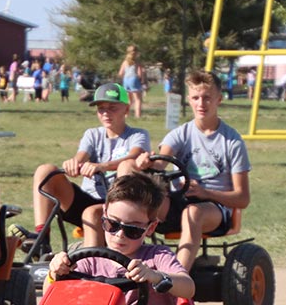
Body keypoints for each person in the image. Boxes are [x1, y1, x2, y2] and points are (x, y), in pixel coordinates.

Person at [121, 71, 251, 271]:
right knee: (128, 167)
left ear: (219, 99)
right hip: (178, 201)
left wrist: (205, 193)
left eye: (207, 98)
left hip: (214, 208)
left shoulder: (232, 141)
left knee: (193, 213)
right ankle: (121, 261)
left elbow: (242, 199)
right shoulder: (180, 134)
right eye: (196, 98)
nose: (201, 104)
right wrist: (144, 163)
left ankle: (175, 283)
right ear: (189, 100)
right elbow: (160, 164)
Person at [29, 83, 149, 248]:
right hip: (87, 199)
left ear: (126, 110)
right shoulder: (92, 134)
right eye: (101, 109)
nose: (106, 113)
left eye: (112, 108)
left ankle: (99, 254)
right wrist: (74, 163)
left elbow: (134, 156)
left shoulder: (137, 135)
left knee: (124, 171)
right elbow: (81, 156)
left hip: (117, 208)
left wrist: (102, 166)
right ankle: (41, 239)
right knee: (46, 171)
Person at [47, 173, 197, 305]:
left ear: (150, 228)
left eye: (132, 230)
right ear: (104, 215)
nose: (119, 234)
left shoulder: (157, 257)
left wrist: (155, 276)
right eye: (112, 224)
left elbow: (188, 288)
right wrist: (56, 271)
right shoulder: (89, 261)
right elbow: (54, 294)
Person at [119, 45, 145, 118]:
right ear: (136, 53)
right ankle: (138, 115)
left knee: (128, 100)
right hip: (134, 79)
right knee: (138, 99)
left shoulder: (125, 62)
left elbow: (120, 73)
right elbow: (140, 73)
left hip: (126, 80)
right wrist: (141, 80)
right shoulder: (137, 62)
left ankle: (126, 114)